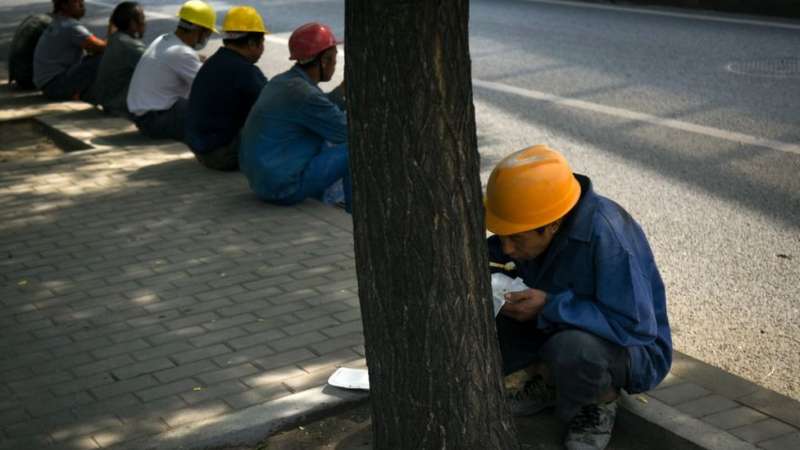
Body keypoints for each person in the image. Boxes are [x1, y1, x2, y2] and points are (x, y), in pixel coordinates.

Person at [484, 145, 672, 450]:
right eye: (502, 236)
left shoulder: (608, 237)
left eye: (516, 238)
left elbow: (635, 326)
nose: (507, 248)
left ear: (554, 224)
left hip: (631, 349)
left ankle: (598, 403)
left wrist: (550, 305)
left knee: (574, 348)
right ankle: (546, 382)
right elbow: (497, 256)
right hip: (557, 324)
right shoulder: (534, 223)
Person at [239, 22, 350, 212]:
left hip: (261, 181)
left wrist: (342, 91)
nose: (334, 64)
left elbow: (322, 107)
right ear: (324, 60)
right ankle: (353, 210)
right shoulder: (305, 94)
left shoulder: (284, 82)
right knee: (356, 147)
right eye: (333, 59)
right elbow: (344, 132)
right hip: (282, 188)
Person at [185, 6, 268, 171]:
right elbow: (276, 105)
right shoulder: (245, 71)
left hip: (202, 150)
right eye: (261, 43)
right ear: (252, 43)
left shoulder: (213, 62)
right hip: (221, 155)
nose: (262, 49)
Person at [126, 0, 216, 140]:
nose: (206, 38)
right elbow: (209, 86)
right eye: (207, 33)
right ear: (198, 29)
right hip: (155, 121)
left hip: (143, 116)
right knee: (213, 109)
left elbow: (178, 59)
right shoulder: (182, 53)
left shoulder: (164, 39)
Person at [33, 0, 108, 101]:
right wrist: (114, 29)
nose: (82, 4)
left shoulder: (58, 21)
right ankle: (84, 94)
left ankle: (85, 93)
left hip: (48, 85)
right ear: (64, 5)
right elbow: (103, 48)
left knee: (93, 59)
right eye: (77, 1)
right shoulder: (70, 26)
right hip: (55, 86)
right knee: (102, 58)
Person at [91, 1, 146, 117]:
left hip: (109, 101)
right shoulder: (130, 46)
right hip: (119, 106)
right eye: (142, 18)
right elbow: (154, 66)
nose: (145, 22)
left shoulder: (115, 38)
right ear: (132, 24)